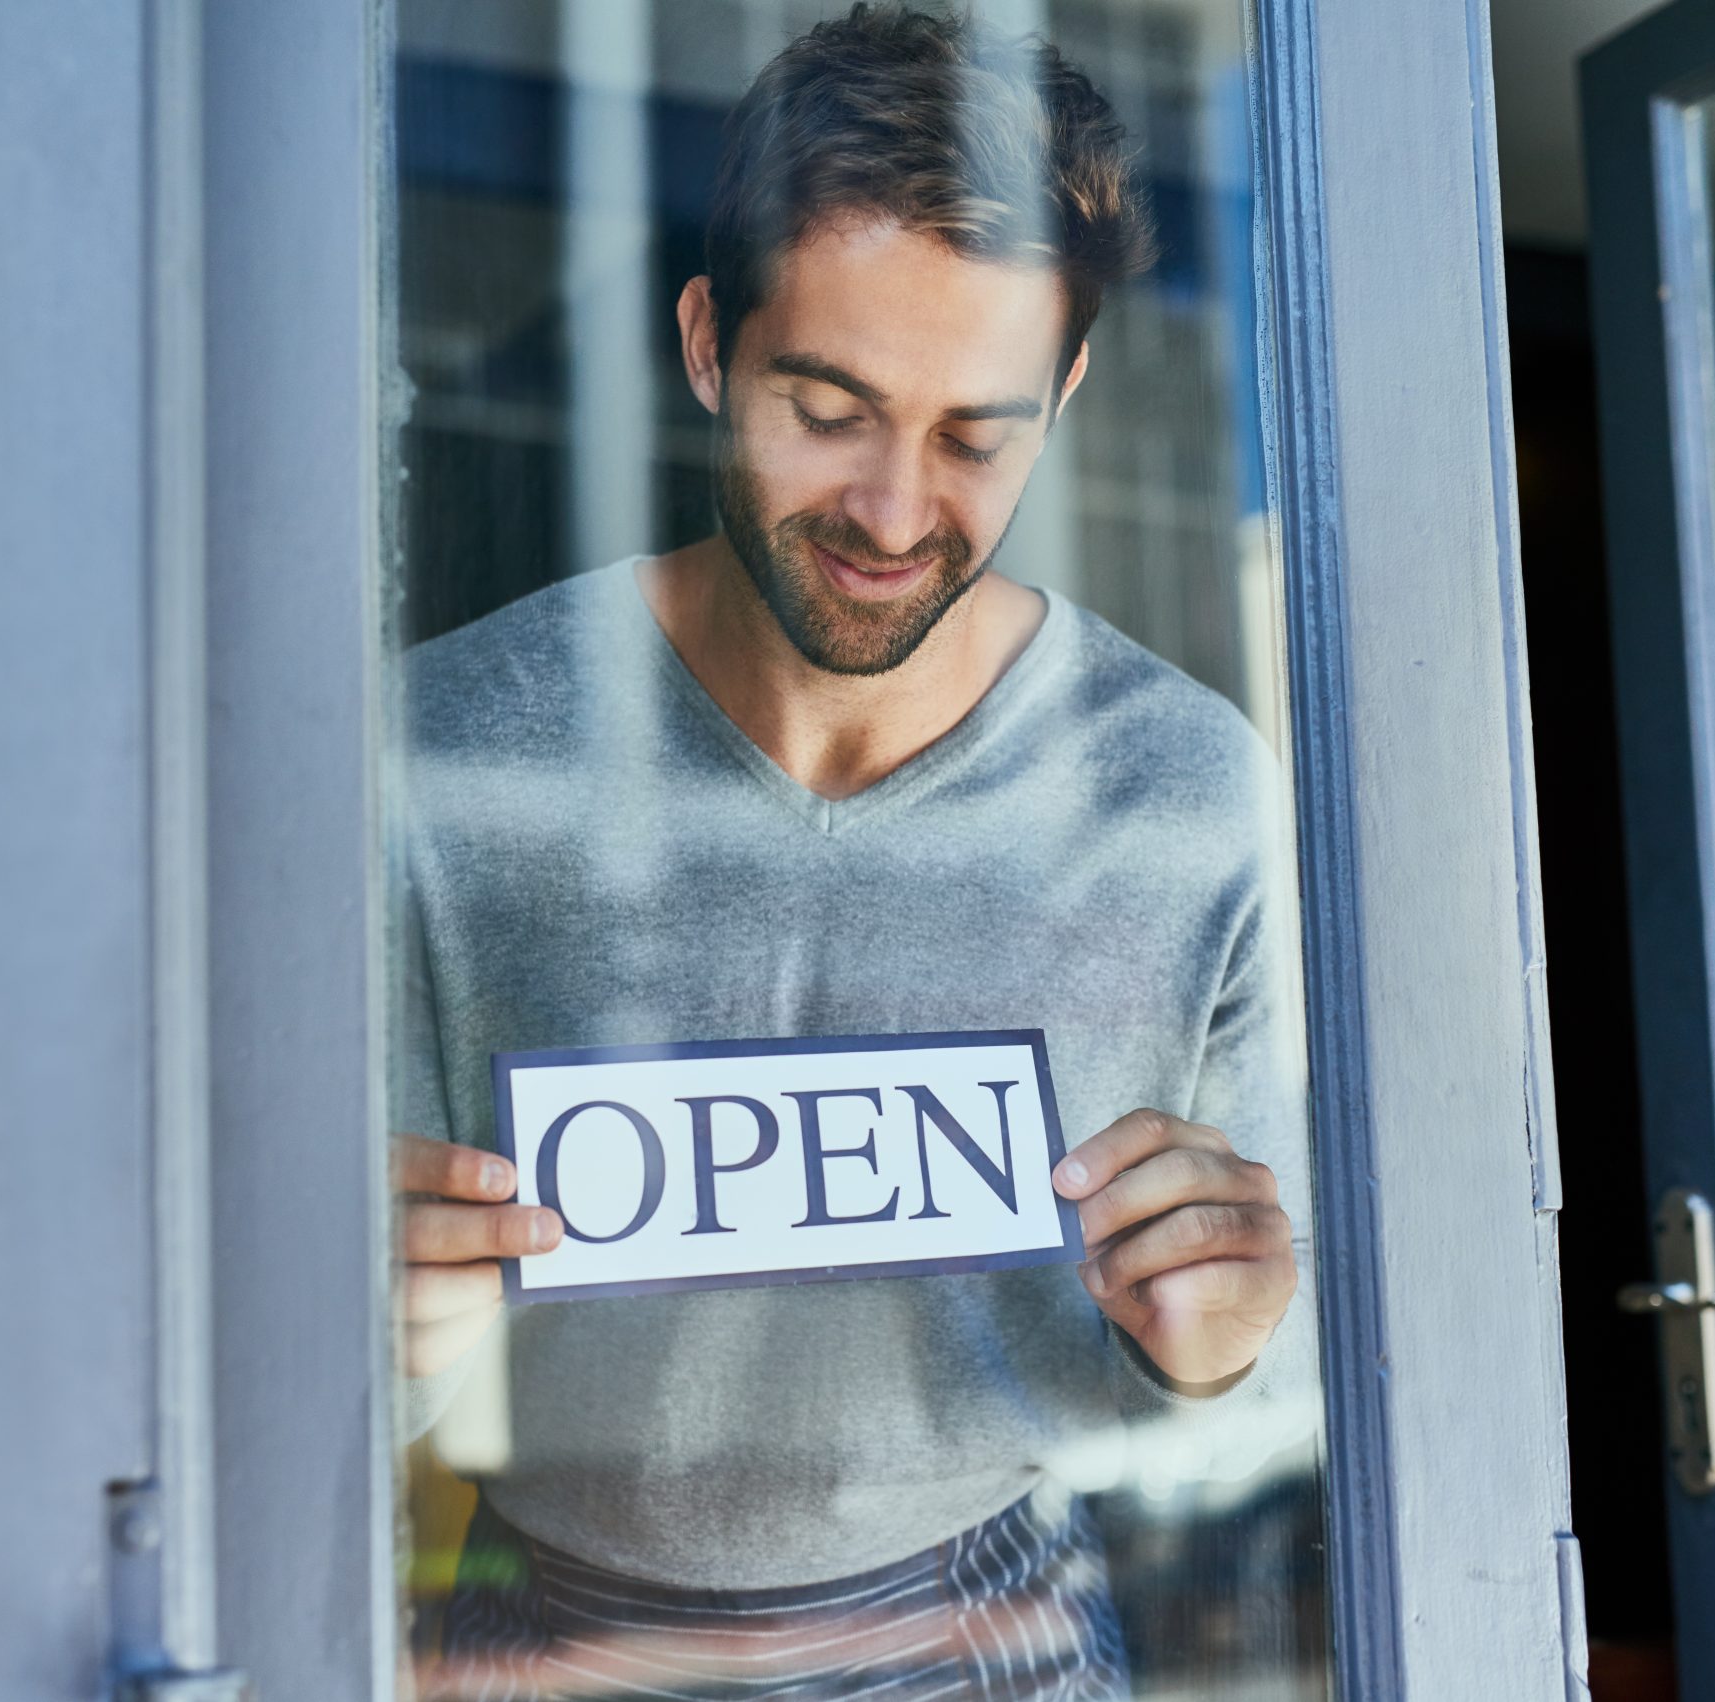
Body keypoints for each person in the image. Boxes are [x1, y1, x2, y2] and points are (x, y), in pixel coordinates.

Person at [396, 7, 1314, 1695]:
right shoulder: (437, 760)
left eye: (979, 435)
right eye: (828, 406)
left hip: (997, 1615)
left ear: (1071, 389)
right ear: (704, 344)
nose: (897, 514)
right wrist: (349, 1319)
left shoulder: (1191, 799)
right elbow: (276, 1338)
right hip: (543, 1624)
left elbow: (1293, 1351)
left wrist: (1225, 1347)